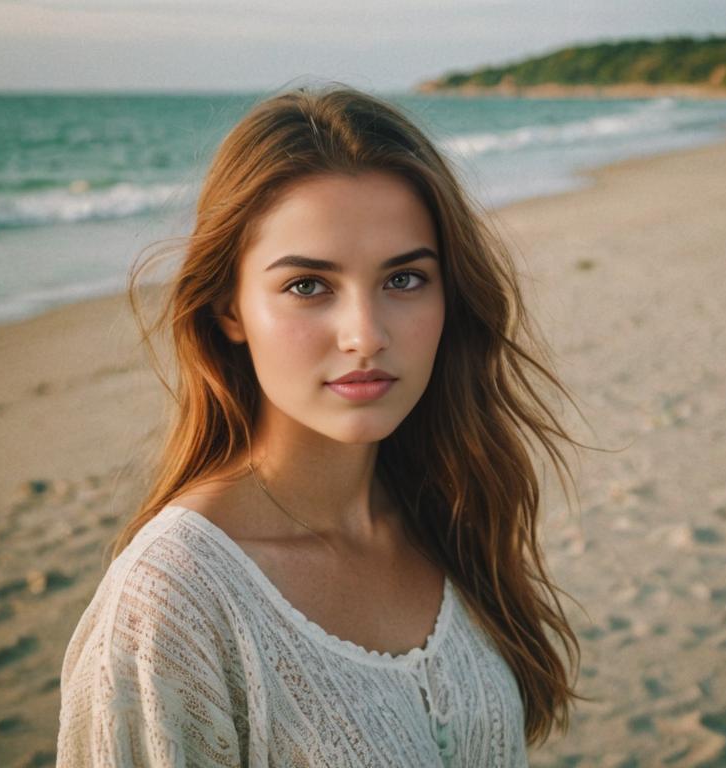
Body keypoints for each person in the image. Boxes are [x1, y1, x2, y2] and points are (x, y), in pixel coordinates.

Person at [56, 83, 589, 767]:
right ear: (230, 310)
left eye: (404, 280)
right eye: (308, 286)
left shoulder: (447, 511)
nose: (365, 336)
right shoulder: (172, 603)